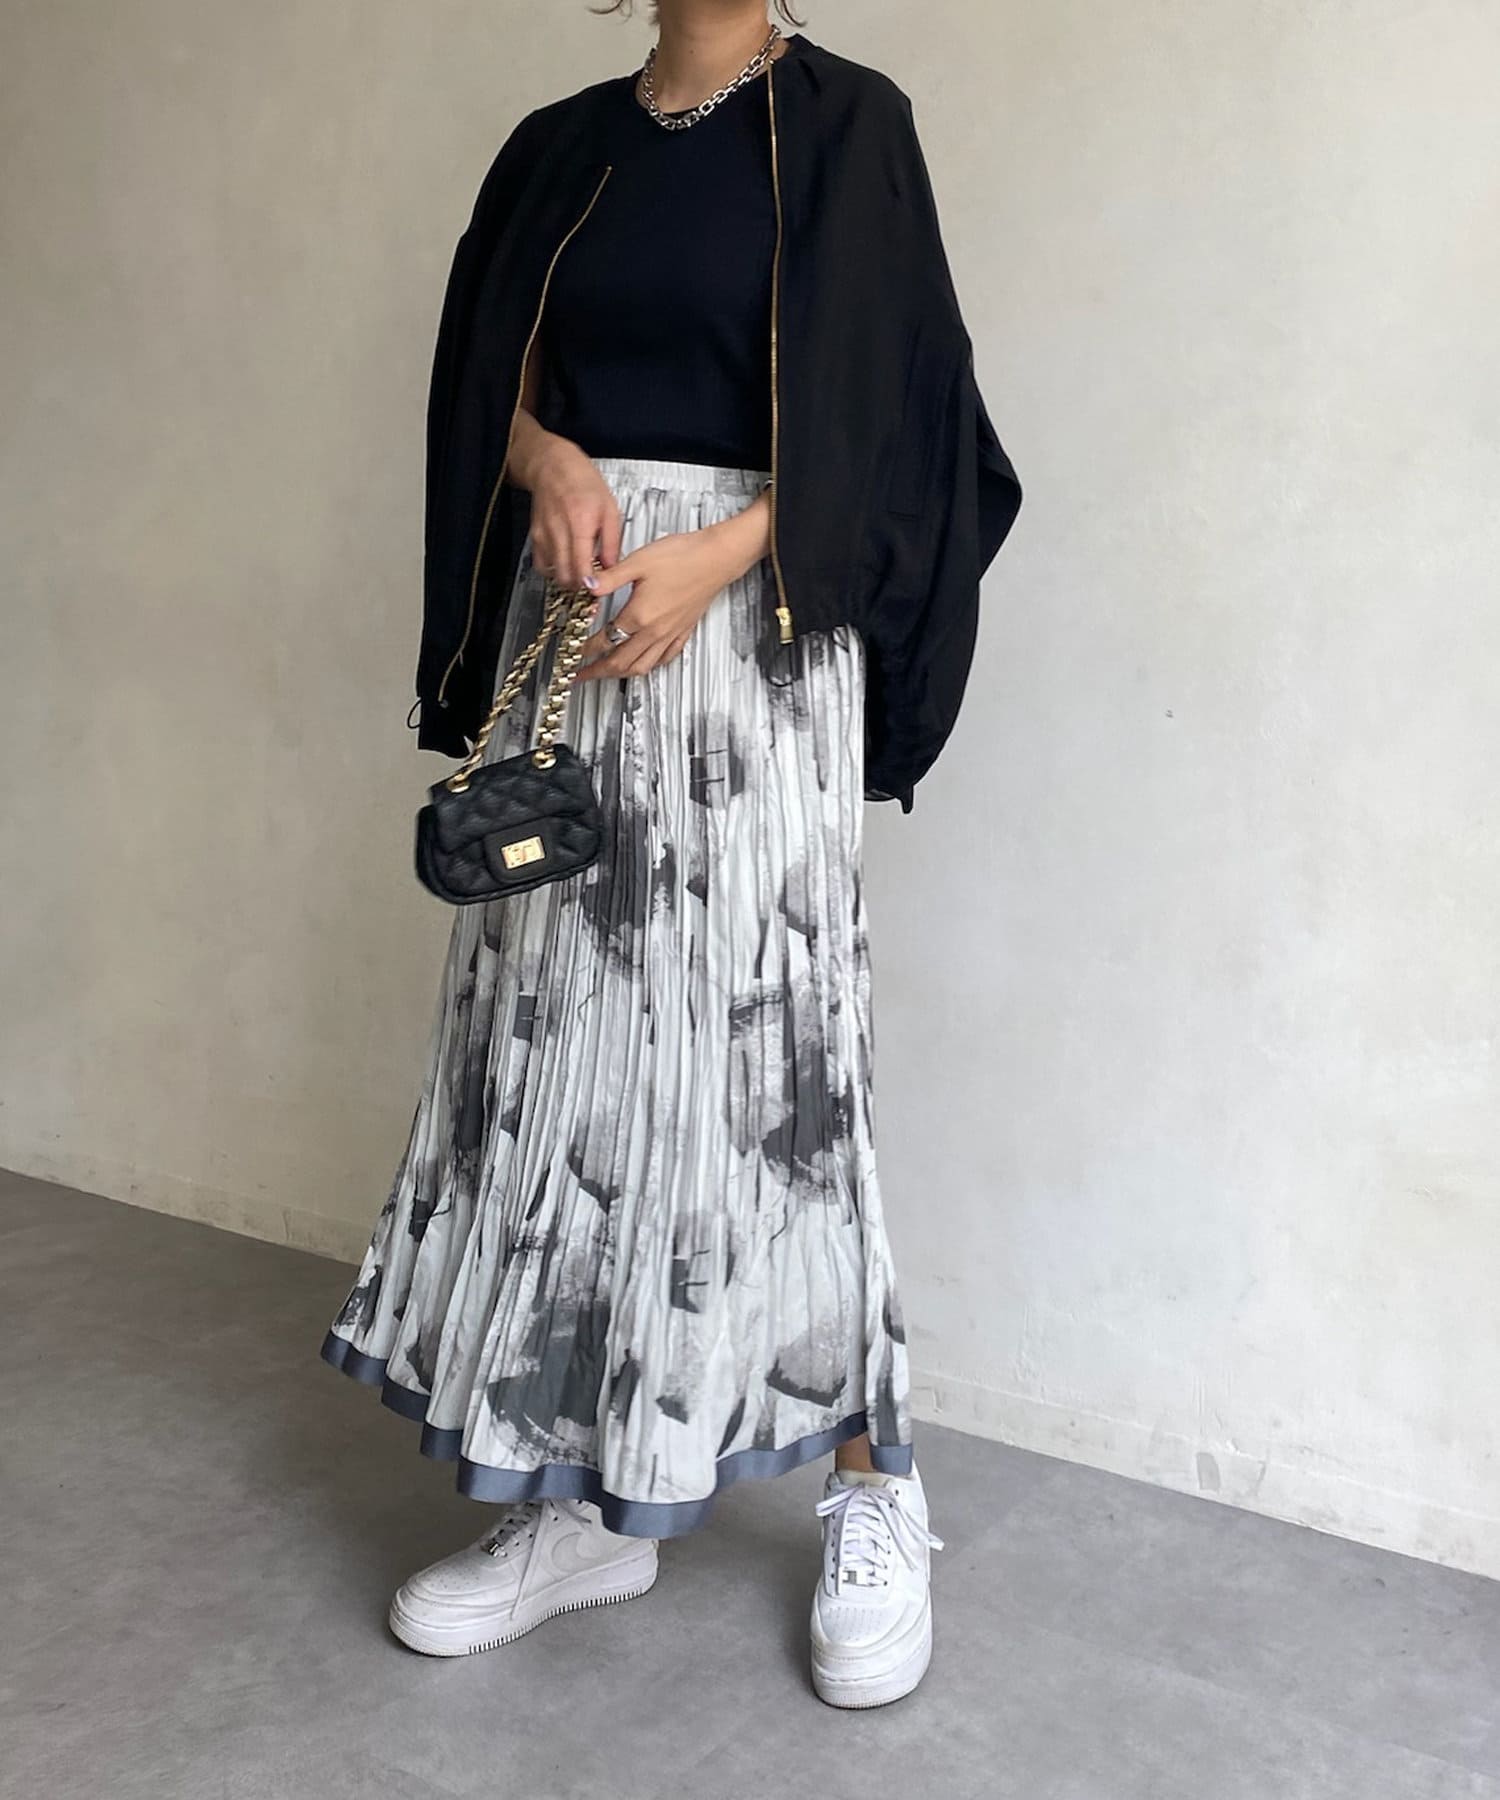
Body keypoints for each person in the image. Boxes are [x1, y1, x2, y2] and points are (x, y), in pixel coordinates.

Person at [322, 0, 1021, 1710]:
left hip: (754, 647)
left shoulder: (850, 128)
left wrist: (727, 549)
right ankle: (578, 1499)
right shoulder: (559, 147)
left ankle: (873, 1483)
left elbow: (908, 414)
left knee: (774, 1062)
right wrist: (547, 458)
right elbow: (486, 381)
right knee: (560, 1070)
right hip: (570, 642)